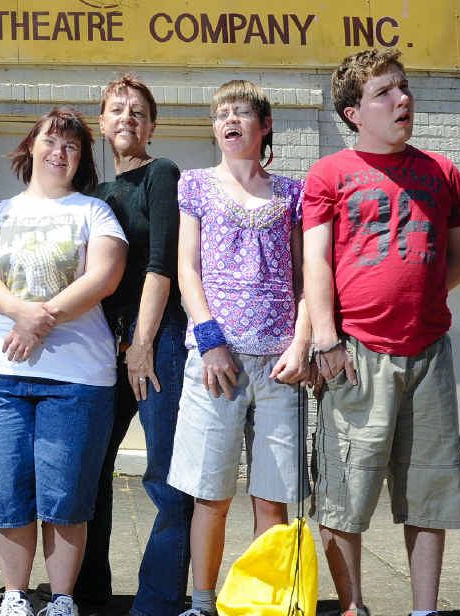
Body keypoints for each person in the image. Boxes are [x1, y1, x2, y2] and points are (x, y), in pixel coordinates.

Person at [302, 48, 460, 616]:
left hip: (428, 355)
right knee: (343, 492)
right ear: (353, 113)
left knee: (430, 491)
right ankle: (353, 606)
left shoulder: (441, 171)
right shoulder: (329, 174)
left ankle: (424, 610)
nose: (402, 99)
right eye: (384, 92)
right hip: (354, 355)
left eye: (403, 88)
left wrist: (418, 299)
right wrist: (326, 340)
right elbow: (316, 263)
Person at [0, 107, 127, 616]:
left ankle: (61, 600)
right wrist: (20, 313)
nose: (60, 152)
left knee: (66, 495)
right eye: (51, 142)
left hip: (77, 378)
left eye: (72, 146)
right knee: (8, 490)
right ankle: (14, 595)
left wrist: (43, 317)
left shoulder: (94, 212)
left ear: (82, 160)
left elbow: (104, 276)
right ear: (31, 147)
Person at [166, 80, 312, 616]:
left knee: (272, 498)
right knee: (211, 494)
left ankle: (264, 604)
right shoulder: (194, 185)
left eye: (242, 112)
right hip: (216, 364)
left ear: (264, 125)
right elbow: (187, 269)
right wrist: (210, 341)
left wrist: (301, 345)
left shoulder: (293, 194)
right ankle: (202, 602)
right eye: (221, 113)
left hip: (279, 368)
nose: (230, 120)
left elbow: (305, 278)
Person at [74, 74, 193, 616]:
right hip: (104, 342)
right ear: (102, 123)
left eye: (138, 112)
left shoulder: (161, 174)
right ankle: (86, 591)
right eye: (117, 110)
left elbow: (161, 263)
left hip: (158, 338)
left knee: (165, 473)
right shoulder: (95, 195)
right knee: (92, 467)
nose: (127, 118)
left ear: (152, 126)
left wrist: (142, 342)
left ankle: (158, 601)